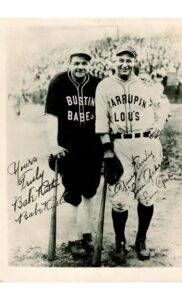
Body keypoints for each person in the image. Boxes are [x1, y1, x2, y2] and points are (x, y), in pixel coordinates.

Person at [95, 45, 170, 264]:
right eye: (120, 59)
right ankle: (120, 242)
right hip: (120, 146)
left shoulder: (147, 84)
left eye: (129, 59)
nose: (125, 63)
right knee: (119, 198)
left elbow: (164, 105)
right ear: (113, 61)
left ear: (134, 61)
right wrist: (107, 150)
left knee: (147, 195)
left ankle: (141, 240)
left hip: (147, 144)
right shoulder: (104, 86)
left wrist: (159, 123)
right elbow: (101, 121)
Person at [45, 48, 103, 258]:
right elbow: (51, 116)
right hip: (68, 148)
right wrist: (53, 144)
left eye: (85, 63)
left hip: (93, 146)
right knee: (73, 192)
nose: (81, 67)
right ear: (70, 64)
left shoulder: (97, 84)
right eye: (77, 63)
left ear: (90, 65)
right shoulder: (59, 82)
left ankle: (85, 231)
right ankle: (72, 238)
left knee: (90, 190)